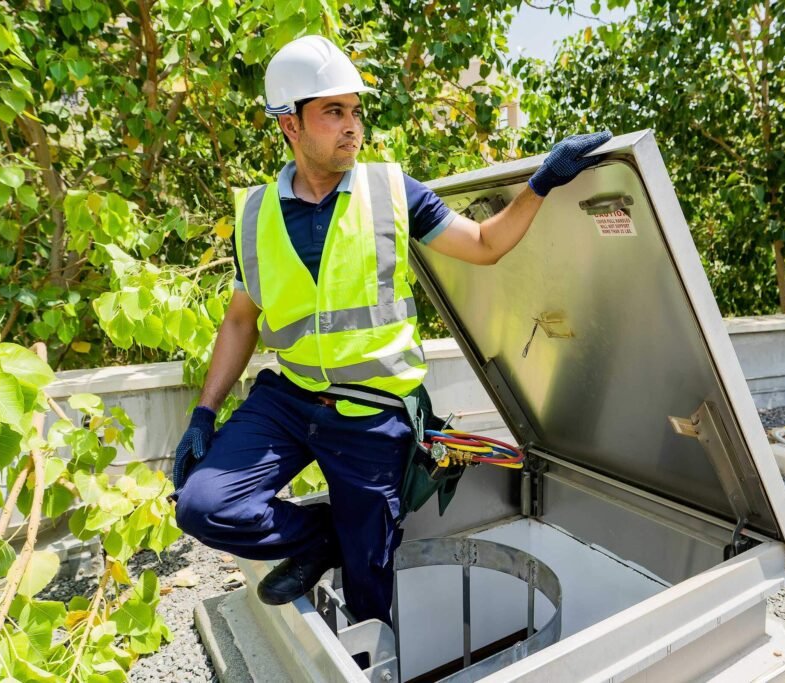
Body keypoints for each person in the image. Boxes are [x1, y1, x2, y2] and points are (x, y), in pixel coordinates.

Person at [172, 34, 610, 626]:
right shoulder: (254, 214)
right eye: (333, 112)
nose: (352, 126)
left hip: (373, 416)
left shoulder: (389, 193)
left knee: (368, 586)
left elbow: (484, 245)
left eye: (355, 111)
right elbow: (240, 319)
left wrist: (542, 182)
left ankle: (365, 632)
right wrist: (205, 411)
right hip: (291, 398)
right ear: (288, 125)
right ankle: (322, 538)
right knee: (203, 506)